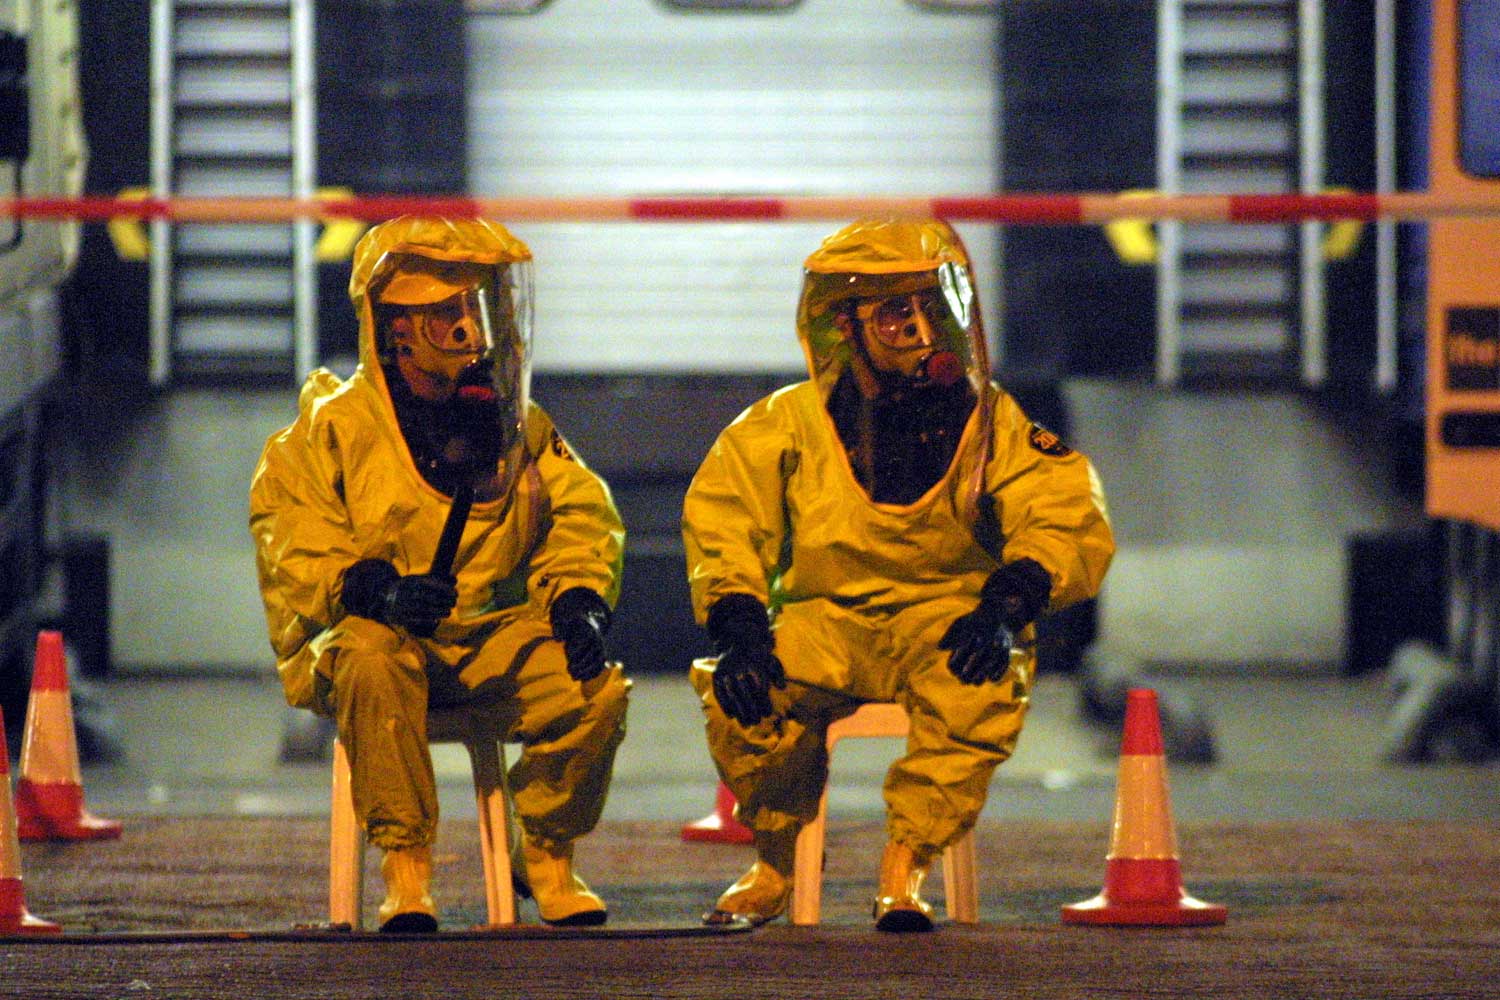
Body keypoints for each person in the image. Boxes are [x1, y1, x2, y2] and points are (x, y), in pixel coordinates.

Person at [682, 217, 1115, 932]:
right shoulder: (788, 422)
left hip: (947, 616)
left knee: (978, 688)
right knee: (743, 694)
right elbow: (724, 516)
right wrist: (738, 627)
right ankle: (776, 862)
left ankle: (905, 868)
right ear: (846, 325)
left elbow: (1063, 510)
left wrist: (1006, 606)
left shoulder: (990, 422)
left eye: (929, 306)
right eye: (894, 311)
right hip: (830, 622)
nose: (919, 329)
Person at [250, 216, 629, 932]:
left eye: (472, 308)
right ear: (395, 327)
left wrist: (578, 597)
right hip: (376, 638)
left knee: (595, 689)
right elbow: (291, 536)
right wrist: (378, 591)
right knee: (368, 658)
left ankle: (545, 854)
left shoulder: (513, 425)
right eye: (445, 313)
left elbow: (581, 510)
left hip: (481, 633)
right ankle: (406, 872)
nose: (467, 327)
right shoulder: (331, 429)